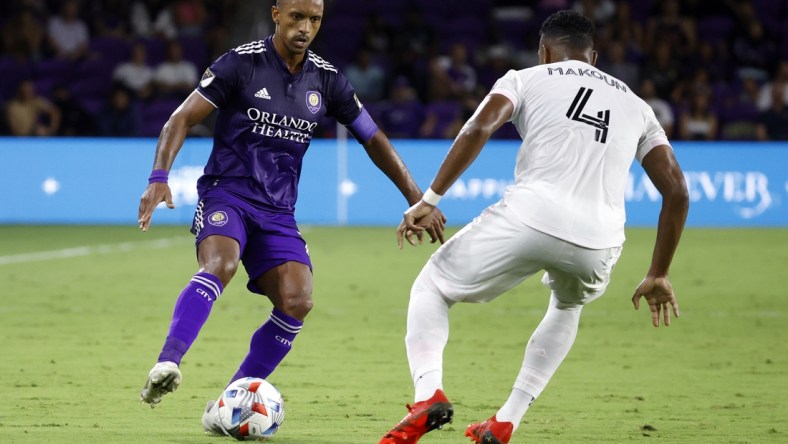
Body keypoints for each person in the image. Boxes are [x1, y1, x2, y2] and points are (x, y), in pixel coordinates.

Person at [136, 0, 446, 434]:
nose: (305, 28)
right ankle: (167, 362)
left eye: (315, 20)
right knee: (219, 266)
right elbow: (180, 118)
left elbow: (374, 139)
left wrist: (419, 198)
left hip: (278, 211)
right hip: (228, 195)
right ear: (276, 13)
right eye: (297, 17)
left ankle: (226, 406)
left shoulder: (328, 79)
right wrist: (158, 176)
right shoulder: (238, 65)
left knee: (298, 301)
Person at [380, 10, 689, 444]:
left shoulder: (525, 77)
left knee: (432, 287)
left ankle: (428, 393)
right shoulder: (639, 107)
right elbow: (677, 192)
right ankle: (506, 420)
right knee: (567, 306)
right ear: (594, 57)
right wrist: (658, 272)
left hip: (532, 216)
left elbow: (479, 125)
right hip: (600, 241)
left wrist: (429, 200)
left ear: (544, 51)